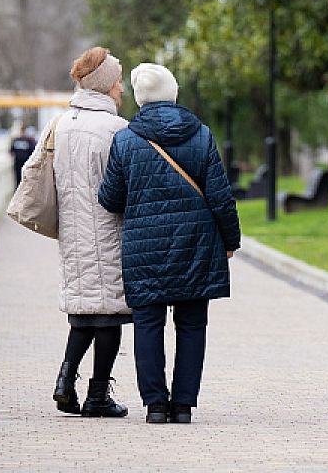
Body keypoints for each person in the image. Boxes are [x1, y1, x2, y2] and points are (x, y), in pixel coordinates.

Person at [98, 63, 241, 425]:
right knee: (192, 325)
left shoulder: (126, 140)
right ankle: (183, 405)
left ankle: (155, 405)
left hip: (144, 249)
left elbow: (110, 198)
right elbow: (220, 196)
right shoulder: (202, 136)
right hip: (196, 246)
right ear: (173, 93)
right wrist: (230, 240)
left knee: (148, 324)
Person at [50, 46, 131, 418]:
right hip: (108, 229)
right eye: (117, 81)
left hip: (72, 229)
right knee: (109, 314)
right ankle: (98, 396)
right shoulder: (116, 129)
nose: (122, 89)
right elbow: (123, 186)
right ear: (104, 86)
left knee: (84, 311)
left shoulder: (62, 124)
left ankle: (65, 380)